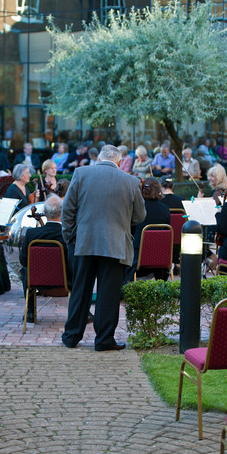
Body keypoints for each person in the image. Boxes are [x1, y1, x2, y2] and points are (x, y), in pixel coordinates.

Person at [61, 144, 146, 351]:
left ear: (98, 159)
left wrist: (71, 237)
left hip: (84, 242)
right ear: (119, 162)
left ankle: (71, 337)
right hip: (115, 244)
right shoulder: (131, 181)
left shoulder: (80, 173)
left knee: (81, 291)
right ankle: (104, 339)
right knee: (108, 294)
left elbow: (68, 210)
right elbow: (139, 216)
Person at [19, 194, 70, 323]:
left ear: (44, 213)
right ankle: (82, 313)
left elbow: (23, 261)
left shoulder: (31, 234)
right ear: (63, 212)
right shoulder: (68, 235)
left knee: (25, 269)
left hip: (37, 284)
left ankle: (30, 312)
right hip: (66, 284)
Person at [123, 178, 170, 284]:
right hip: (160, 259)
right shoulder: (165, 209)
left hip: (136, 258)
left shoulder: (136, 208)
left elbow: (130, 231)